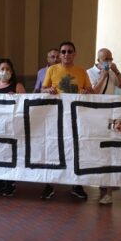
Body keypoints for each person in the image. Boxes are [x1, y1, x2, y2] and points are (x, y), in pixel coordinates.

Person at [86, 48, 121, 209]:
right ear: (98, 60)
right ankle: (103, 182)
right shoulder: (89, 72)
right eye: (105, 59)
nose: (108, 61)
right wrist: (102, 76)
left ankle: (111, 186)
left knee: (114, 145)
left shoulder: (112, 72)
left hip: (113, 114)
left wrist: (116, 72)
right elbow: (93, 93)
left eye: (110, 58)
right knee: (101, 148)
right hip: (97, 115)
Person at [40, 41, 93, 200]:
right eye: (63, 52)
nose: (66, 55)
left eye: (70, 52)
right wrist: (48, 90)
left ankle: (77, 185)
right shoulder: (52, 70)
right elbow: (43, 89)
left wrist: (85, 91)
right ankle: (49, 183)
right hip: (56, 116)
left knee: (76, 149)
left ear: (75, 54)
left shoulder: (81, 72)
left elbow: (90, 91)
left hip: (76, 117)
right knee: (53, 148)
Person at [0, 58, 26, 197]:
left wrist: (17, 98)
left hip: (10, 127)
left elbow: (26, 103)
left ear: (12, 72)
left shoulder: (17, 86)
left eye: (7, 69)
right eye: (2, 69)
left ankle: (10, 182)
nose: (4, 72)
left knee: (9, 154)